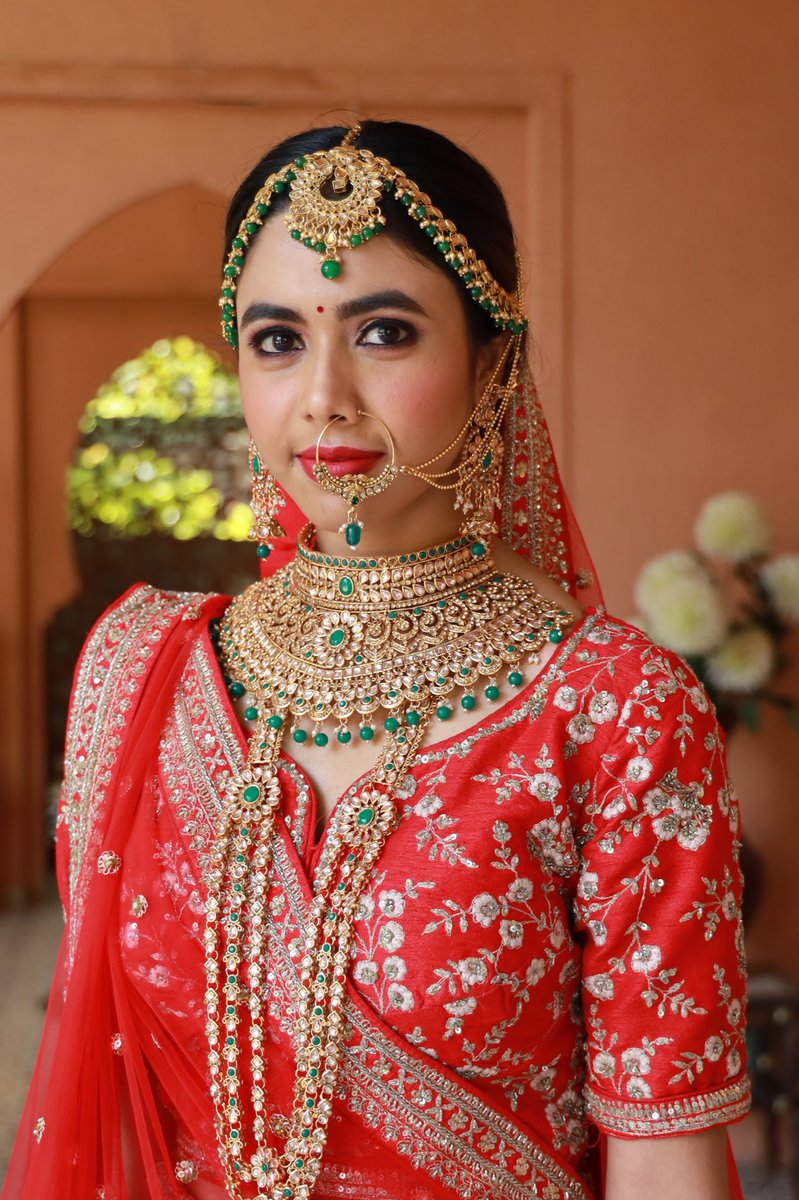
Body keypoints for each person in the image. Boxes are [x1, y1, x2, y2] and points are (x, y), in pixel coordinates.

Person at [5, 120, 750, 1200]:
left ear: (491, 360)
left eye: (386, 331)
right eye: (276, 341)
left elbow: (662, 1159)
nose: (323, 395)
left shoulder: (616, 710)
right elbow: (108, 1109)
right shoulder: (147, 676)